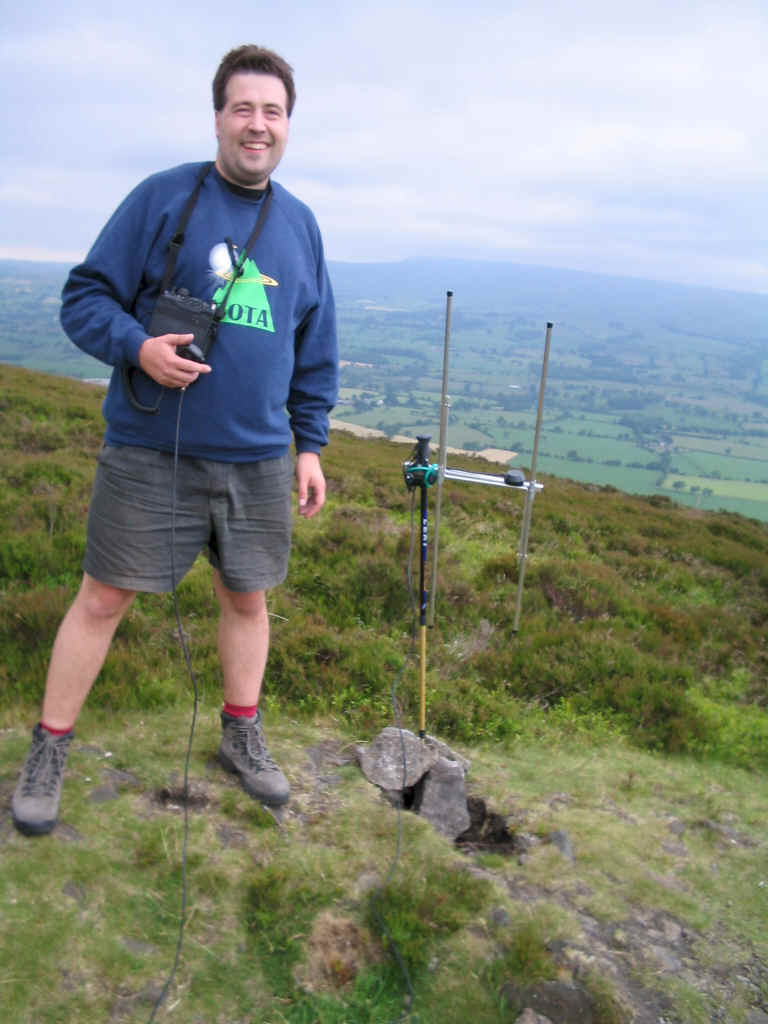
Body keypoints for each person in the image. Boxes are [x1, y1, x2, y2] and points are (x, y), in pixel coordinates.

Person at [11, 45, 338, 835]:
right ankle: (49, 749)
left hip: (258, 456)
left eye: (273, 112)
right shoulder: (163, 197)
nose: (257, 125)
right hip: (152, 446)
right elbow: (84, 296)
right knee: (103, 596)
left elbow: (314, 341)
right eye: (243, 108)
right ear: (219, 116)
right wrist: (138, 348)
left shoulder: (300, 225)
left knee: (246, 597)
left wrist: (309, 443)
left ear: (287, 125)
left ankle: (240, 733)